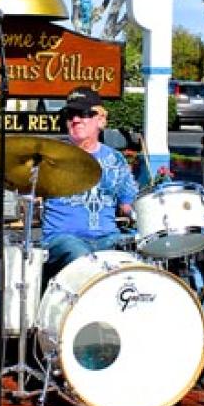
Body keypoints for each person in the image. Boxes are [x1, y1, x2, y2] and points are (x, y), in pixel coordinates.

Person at [41, 87, 138, 281]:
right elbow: (26, 194)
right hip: (63, 239)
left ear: (100, 120)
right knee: (83, 259)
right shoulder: (50, 157)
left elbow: (128, 204)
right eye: (70, 115)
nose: (75, 120)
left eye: (83, 114)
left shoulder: (115, 159)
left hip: (107, 239)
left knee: (134, 262)